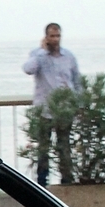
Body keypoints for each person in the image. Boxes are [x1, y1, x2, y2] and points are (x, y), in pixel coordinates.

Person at [23, 23, 81, 185]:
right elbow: (28, 69)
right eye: (52, 36)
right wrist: (42, 51)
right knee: (43, 148)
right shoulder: (38, 55)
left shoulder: (68, 56)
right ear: (46, 37)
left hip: (64, 110)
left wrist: (79, 104)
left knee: (64, 147)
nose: (55, 39)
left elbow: (76, 81)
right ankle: (42, 183)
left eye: (58, 36)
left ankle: (67, 181)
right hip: (44, 110)